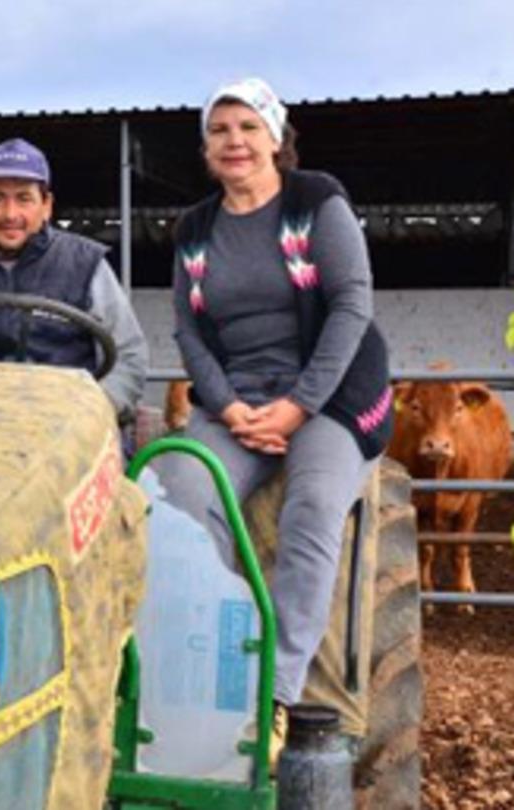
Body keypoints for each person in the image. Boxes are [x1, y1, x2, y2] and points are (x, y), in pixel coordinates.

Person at [155, 78, 394, 768]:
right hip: (237, 401)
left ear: (275, 139)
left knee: (315, 504)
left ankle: (276, 692)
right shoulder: (194, 229)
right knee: (179, 495)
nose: (234, 141)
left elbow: (352, 306)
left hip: (329, 393)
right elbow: (189, 332)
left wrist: (297, 407)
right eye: (219, 130)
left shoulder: (315, 201)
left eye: (247, 127)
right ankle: (210, 674)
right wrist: (227, 406)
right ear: (206, 147)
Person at [0, 137, 149, 422]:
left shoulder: (86, 264)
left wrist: (96, 411)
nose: (10, 214)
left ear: (46, 206)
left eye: (24, 198)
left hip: (66, 423)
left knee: (137, 468)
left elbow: (128, 356)